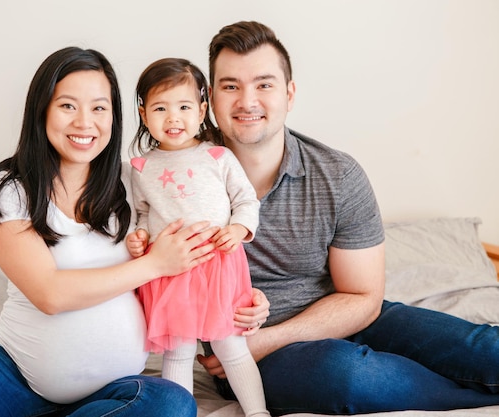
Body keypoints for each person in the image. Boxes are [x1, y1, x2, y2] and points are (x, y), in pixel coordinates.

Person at [0, 47, 221, 417]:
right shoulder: (8, 188)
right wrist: (154, 265)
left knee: (173, 404)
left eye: (99, 108)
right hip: (15, 373)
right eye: (68, 106)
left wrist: (243, 301)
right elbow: (49, 293)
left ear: (115, 117)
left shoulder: (134, 180)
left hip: (114, 389)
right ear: (42, 110)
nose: (84, 123)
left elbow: (196, 245)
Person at [196, 20, 499, 415]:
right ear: (210, 99)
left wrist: (269, 338)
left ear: (289, 94)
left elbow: (363, 298)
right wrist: (252, 346)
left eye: (264, 84)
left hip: (337, 320)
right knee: (350, 376)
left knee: (484, 350)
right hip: (247, 360)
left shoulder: (337, 175)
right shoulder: (183, 180)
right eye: (230, 85)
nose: (247, 100)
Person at [127, 57, 270, 417]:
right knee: (179, 351)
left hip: (218, 265)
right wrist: (139, 235)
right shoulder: (141, 167)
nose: (173, 118)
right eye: (160, 108)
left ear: (202, 109)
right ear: (144, 115)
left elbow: (245, 201)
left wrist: (238, 229)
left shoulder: (218, 156)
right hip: (172, 271)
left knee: (231, 346)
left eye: (184, 107)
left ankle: (257, 412)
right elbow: (142, 213)